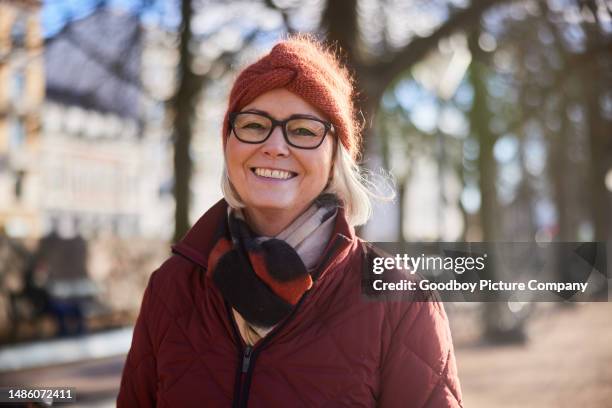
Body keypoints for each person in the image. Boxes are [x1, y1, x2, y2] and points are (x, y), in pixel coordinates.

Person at [117, 35, 462, 407]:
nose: (275, 146)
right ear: (228, 143)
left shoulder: (401, 303)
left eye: (303, 130)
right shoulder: (170, 289)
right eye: (253, 125)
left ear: (335, 158)